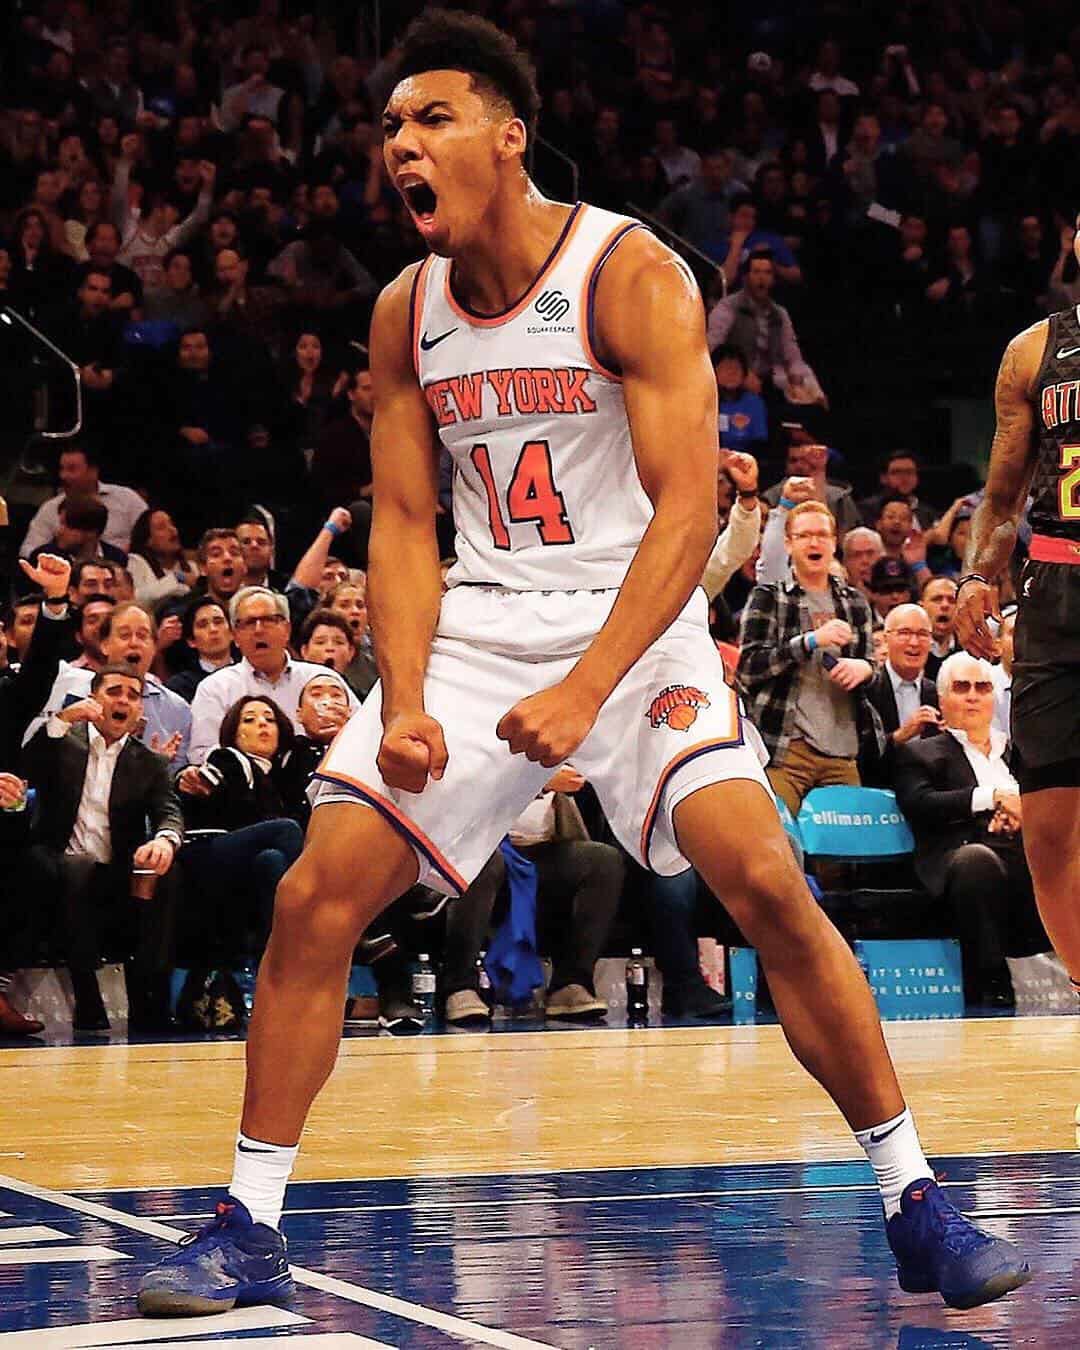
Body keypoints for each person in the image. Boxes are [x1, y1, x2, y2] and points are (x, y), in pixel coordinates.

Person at [137, 10, 1029, 1317]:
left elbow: (686, 511)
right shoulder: (405, 313)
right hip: (488, 623)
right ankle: (245, 1223)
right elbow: (400, 521)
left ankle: (914, 1199)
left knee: (768, 879)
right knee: (314, 897)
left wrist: (587, 682)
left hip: (639, 615)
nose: (400, 144)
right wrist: (416, 693)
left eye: (430, 118)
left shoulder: (629, 273)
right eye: (388, 126)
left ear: (508, 135)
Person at [956, 226, 1080, 1010]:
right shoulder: (1033, 352)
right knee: (1049, 837)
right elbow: (1002, 496)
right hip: (1058, 593)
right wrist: (976, 573)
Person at [21, 664, 184, 1032]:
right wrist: (62, 719)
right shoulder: (64, 740)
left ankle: (150, 1001)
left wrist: (164, 839)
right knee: (76, 867)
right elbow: (28, 765)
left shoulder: (150, 762)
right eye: (114, 692)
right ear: (94, 699)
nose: (123, 700)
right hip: (54, 868)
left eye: (132, 695)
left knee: (167, 870)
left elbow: (169, 811)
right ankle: (87, 997)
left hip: (115, 874)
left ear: (140, 710)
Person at [893, 653, 1049, 1008]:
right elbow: (921, 804)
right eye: (962, 688)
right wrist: (992, 798)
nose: (973, 696)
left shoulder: (1018, 751)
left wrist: (1021, 813)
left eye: (982, 688)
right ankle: (991, 986)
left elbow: (1044, 800)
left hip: (1024, 846)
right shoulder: (921, 753)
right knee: (977, 861)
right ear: (942, 699)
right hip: (957, 855)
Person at [738, 501, 876, 814]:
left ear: (834, 542)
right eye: (804, 536)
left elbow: (874, 666)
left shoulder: (855, 602)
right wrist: (809, 641)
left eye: (821, 535)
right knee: (779, 842)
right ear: (788, 543)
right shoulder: (769, 596)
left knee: (840, 858)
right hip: (786, 749)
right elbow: (748, 668)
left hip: (843, 751)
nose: (814, 542)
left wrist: (864, 669)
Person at [176, 695, 305, 1010]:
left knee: (271, 861)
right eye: (249, 719)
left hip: (242, 868)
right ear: (233, 732)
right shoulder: (229, 757)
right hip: (206, 852)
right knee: (287, 830)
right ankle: (310, 935)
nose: (261, 724)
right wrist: (186, 778)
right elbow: (205, 778)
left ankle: (272, 977)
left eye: (269, 719)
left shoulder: (279, 779)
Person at [187, 586, 357, 764]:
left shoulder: (322, 679)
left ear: (287, 629)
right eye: (249, 622)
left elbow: (365, 735)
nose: (259, 630)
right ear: (235, 636)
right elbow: (201, 755)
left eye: (268, 620)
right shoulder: (215, 688)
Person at [859, 603, 942, 788]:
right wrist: (900, 736)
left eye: (922, 634)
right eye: (904, 633)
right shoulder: (866, 689)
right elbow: (859, 757)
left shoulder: (936, 693)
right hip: (877, 792)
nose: (914, 642)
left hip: (927, 794)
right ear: (886, 639)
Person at [20, 445, 146, 558]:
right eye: (62, 469)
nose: (63, 475)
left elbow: (151, 535)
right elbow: (28, 551)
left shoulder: (127, 498)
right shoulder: (50, 508)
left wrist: (128, 554)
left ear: (93, 471)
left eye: (71, 469)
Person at [166, 598, 236, 703]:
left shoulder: (253, 674)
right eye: (203, 625)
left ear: (232, 633)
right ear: (191, 641)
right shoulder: (179, 687)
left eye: (218, 622)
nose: (213, 629)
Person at [922, 576, 960, 680]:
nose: (945, 605)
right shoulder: (910, 649)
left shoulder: (970, 651)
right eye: (937, 599)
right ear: (922, 606)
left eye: (952, 600)